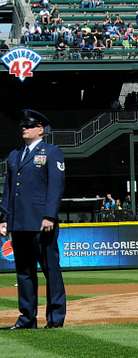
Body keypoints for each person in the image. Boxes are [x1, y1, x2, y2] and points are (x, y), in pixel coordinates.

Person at [0, 110, 66, 329]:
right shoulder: (14, 155)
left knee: (51, 269)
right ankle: (27, 318)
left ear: (41, 129)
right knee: (24, 272)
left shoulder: (52, 152)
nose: (24, 128)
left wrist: (49, 215)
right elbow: (8, 190)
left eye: (29, 125)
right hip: (19, 223)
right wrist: (4, 218)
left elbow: (55, 186)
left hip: (41, 222)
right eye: (22, 126)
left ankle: (55, 318)